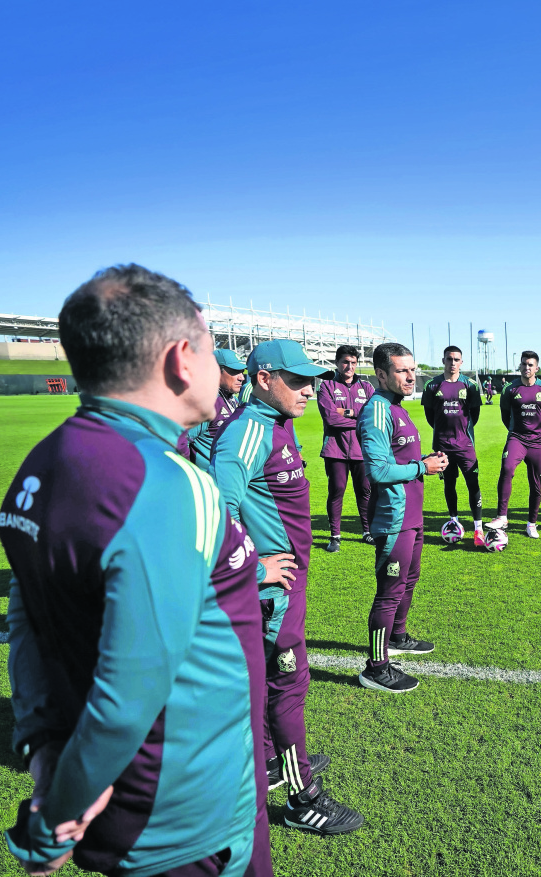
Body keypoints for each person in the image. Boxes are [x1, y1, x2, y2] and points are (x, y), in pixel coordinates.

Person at [0, 264, 269, 877]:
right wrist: (55, 819)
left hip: (145, 806)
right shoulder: (171, 486)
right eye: (210, 349)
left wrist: (42, 747)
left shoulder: (40, 466)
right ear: (181, 359)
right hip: (189, 817)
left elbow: (27, 623)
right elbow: (128, 695)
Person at [213, 339, 362, 836]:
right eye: (296, 380)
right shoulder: (246, 434)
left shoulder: (278, 423)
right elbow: (217, 518)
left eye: (309, 379)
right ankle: (303, 801)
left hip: (286, 585)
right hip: (270, 591)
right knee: (288, 687)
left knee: (271, 688)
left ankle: (274, 762)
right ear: (262, 379)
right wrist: (257, 570)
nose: (308, 389)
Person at [358, 342, 448, 692]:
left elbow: (400, 457)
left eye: (412, 369)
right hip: (393, 517)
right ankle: (376, 668)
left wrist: (426, 462)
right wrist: (420, 467)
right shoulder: (376, 411)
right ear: (381, 374)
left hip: (412, 513)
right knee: (389, 592)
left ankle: (397, 636)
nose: (411, 376)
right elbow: (378, 470)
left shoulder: (397, 407)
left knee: (410, 579)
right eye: (401, 370)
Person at [421, 345, 485, 547]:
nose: (453, 363)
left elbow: (474, 415)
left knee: (473, 485)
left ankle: (478, 528)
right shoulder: (432, 385)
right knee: (449, 484)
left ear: (461, 362)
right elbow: (430, 416)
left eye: (456, 359)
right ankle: (454, 521)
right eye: (449, 359)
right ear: (443, 361)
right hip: (442, 446)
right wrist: (443, 433)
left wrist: (462, 433)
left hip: (465, 445)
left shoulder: (470, 385)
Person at [490, 351, 541, 538]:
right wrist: (516, 432)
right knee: (507, 467)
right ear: (520, 366)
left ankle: (531, 524)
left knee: (536, 484)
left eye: (530, 365)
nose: (527, 368)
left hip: (537, 443)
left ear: (537, 368)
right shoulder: (510, 389)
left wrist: (537, 431)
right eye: (524, 364)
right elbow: (505, 415)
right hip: (517, 438)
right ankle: (502, 517)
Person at [318, 345, 375, 552]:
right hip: (335, 449)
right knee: (337, 491)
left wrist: (347, 412)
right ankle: (335, 536)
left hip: (361, 450)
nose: (349, 366)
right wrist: (357, 416)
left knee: (365, 491)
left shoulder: (367, 387)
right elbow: (331, 419)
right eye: (345, 362)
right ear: (337, 363)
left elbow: (370, 418)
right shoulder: (326, 387)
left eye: (353, 362)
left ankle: (368, 532)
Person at [187, 346, 248, 471]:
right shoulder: (205, 402)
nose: (241, 377)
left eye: (242, 371)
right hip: (210, 482)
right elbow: (179, 440)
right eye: (234, 371)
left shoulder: (232, 399)